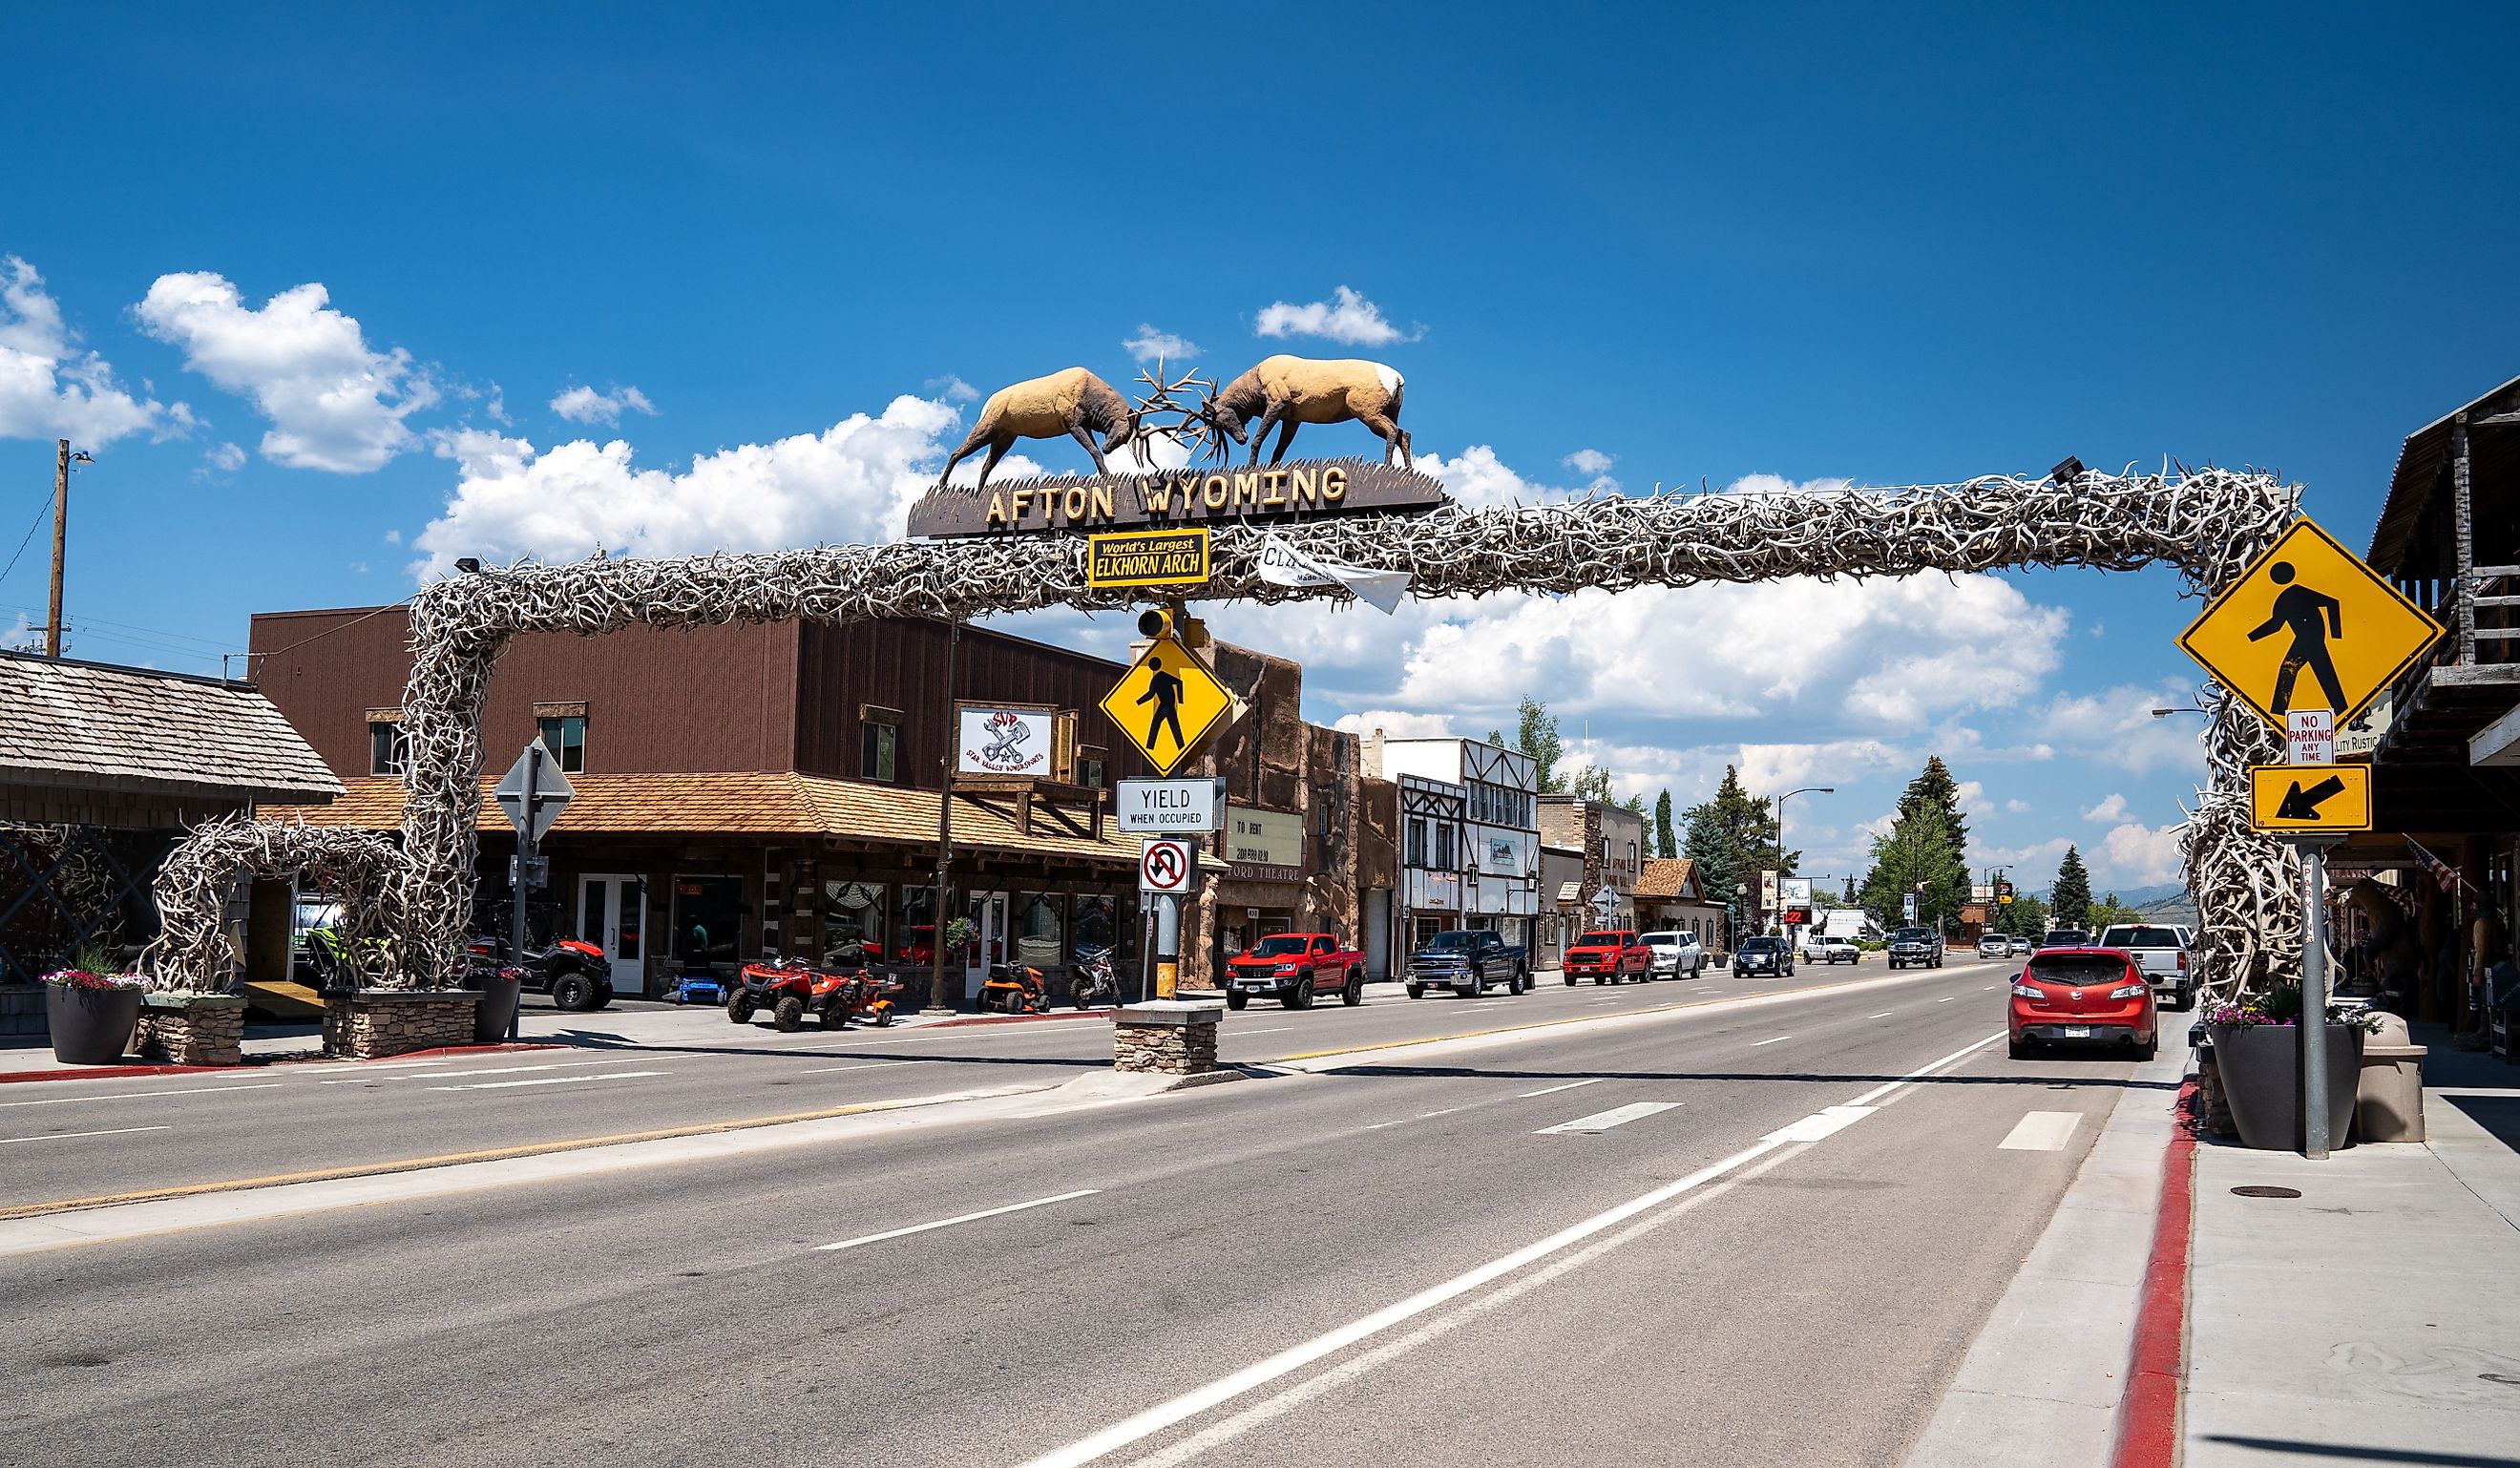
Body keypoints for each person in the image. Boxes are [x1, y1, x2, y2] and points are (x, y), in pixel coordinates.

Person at [2245, 561, 2346, 714]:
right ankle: (2341, 709)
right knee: (2324, 673)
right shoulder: (2284, 599)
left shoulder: (2297, 593)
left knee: (2289, 669)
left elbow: (2332, 603)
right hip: (2307, 638)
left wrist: (2336, 634)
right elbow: (2276, 626)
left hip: (2310, 637)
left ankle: (2279, 712)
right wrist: (2250, 637)